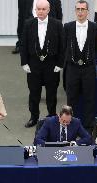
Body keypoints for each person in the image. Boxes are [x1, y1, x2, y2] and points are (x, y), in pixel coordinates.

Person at [20, 0, 64, 128]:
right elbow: (23, 44)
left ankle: (51, 117)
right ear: (35, 10)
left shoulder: (57, 24)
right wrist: (24, 63)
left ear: (49, 10)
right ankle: (34, 117)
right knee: (34, 93)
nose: (40, 11)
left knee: (51, 93)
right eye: (38, 9)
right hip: (33, 64)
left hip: (51, 64)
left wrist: (60, 64)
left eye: (43, 9)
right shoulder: (29, 24)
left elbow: (62, 46)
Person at [63, 0, 97, 134]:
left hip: (88, 69)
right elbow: (64, 47)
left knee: (89, 99)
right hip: (72, 69)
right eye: (78, 9)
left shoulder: (95, 27)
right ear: (75, 11)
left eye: (82, 9)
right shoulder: (67, 27)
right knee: (71, 98)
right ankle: (70, 126)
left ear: (87, 11)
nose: (80, 12)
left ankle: (88, 128)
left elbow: (96, 47)